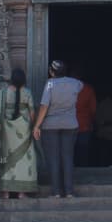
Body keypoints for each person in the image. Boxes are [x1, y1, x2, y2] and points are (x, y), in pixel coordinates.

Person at [33, 61, 84, 199]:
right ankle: (69, 191)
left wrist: (37, 125)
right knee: (67, 157)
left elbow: (44, 106)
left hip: (50, 125)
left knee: (53, 159)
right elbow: (80, 87)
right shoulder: (75, 83)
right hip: (70, 124)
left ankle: (55, 192)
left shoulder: (50, 84)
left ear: (51, 72)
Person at [0, 68, 38, 199]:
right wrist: (34, 127)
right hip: (24, 130)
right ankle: (22, 193)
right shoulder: (27, 93)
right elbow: (32, 112)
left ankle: (6, 192)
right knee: (25, 161)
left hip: (5, 131)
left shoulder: (1, 94)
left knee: (6, 160)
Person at [74, 80, 98, 167]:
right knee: (83, 154)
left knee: (68, 155)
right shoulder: (88, 89)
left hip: (67, 126)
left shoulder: (63, 88)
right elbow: (93, 109)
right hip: (84, 126)